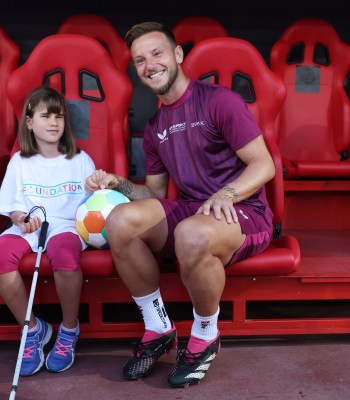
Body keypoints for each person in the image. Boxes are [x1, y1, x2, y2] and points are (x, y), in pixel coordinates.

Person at [85, 21, 275, 388]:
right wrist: (118, 184)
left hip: (246, 213)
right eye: (140, 60)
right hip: (195, 211)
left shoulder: (219, 100)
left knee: (190, 235)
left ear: (177, 55)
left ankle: (205, 335)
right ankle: (158, 328)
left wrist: (227, 193)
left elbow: (264, 164)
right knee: (120, 220)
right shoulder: (156, 126)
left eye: (156, 53)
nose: (149, 64)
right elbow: (154, 196)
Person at [0, 86, 95, 376]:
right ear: (29, 122)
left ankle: (68, 330)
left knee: (65, 255)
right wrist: (22, 218)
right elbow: (12, 207)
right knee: (1, 257)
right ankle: (31, 329)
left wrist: (95, 188)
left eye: (59, 116)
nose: (54, 122)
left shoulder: (80, 160)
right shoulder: (20, 161)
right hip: (27, 227)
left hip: (66, 226)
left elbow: (92, 208)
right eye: (45, 116)